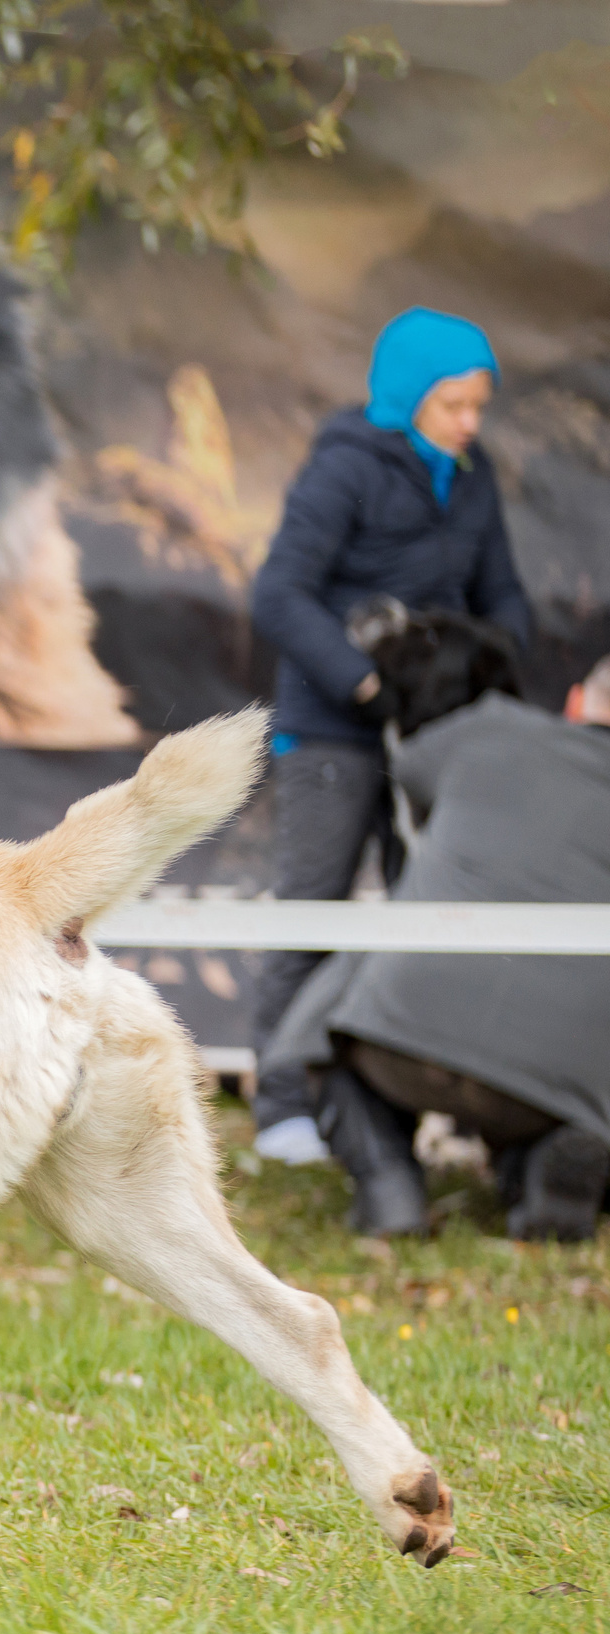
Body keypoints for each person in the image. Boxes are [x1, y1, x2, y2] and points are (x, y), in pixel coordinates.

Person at [246, 307, 531, 1165]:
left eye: (479, 406)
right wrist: (363, 683)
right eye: (453, 405)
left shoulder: (472, 477)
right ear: (410, 397)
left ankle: (423, 1109)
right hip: (331, 732)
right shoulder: (346, 468)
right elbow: (279, 594)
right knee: (314, 908)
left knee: (432, 911)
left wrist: (497, 661)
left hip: (434, 739)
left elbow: (502, 593)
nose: (470, 423)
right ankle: (284, 1107)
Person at [263, 650, 610, 1240]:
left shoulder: (492, 726)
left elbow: (410, 779)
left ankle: (389, 1187)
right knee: (555, 1087)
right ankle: (546, 1167)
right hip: (563, 1082)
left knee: (335, 1012)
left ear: (575, 700)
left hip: (399, 1041)